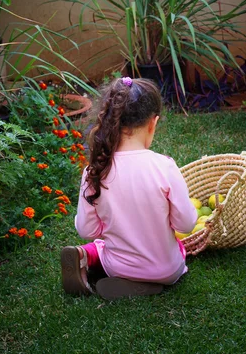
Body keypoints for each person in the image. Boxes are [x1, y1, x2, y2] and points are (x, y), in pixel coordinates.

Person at [60, 77, 197, 300]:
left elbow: (87, 230)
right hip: (167, 270)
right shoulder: (164, 167)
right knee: (179, 247)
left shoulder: (95, 171)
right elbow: (186, 223)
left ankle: (87, 258)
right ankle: (149, 283)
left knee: (99, 245)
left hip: (117, 268)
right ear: (153, 123)